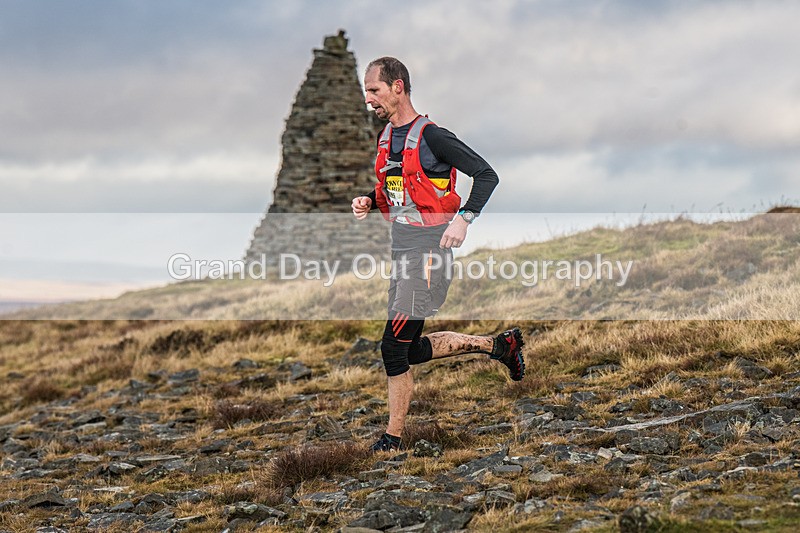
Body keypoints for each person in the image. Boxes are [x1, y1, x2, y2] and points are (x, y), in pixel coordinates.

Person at [351, 57, 525, 453]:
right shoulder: (385, 139)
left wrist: (463, 219)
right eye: (367, 92)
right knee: (408, 347)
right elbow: (398, 191)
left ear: (398, 87)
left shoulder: (433, 136)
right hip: (402, 251)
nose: (369, 100)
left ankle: (392, 439)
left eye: (374, 91)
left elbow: (486, 174)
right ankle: (500, 346)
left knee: (393, 348)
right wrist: (369, 199)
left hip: (429, 254)